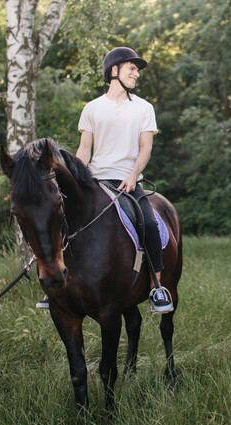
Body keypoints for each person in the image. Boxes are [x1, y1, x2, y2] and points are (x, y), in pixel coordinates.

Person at [37, 47, 173, 314]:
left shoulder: (144, 108)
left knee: (147, 221)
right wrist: (73, 179)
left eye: (137, 69)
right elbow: (84, 149)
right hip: (96, 181)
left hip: (128, 183)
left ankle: (157, 285)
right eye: (131, 67)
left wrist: (133, 176)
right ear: (114, 71)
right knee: (58, 219)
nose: (136, 73)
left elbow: (145, 148)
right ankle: (55, 286)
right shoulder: (92, 108)